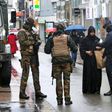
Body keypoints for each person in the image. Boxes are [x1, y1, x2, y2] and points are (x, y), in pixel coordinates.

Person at [44, 24, 77, 105]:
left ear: (56, 30)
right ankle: (67, 99)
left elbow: (46, 51)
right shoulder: (67, 37)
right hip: (66, 62)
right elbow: (75, 49)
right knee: (67, 81)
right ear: (63, 29)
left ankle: (59, 100)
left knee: (58, 81)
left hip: (56, 62)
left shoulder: (52, 38)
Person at [17, 17, 47, 101]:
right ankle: (22, 92)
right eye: (30, 24)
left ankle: (38, 91)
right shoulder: (22, 32)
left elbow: (38, 39)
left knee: (36, 73)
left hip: (34, 55)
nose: (31, 26)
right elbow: (22, 42)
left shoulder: (33, 31)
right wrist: (33, 42)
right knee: (25, 73)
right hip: (26, 55)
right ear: (28, 24)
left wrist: (37, 42)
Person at [80, 26, 102, 94]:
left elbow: (101, 48)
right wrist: (86, 52)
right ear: (89, 32)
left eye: (93, 32)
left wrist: (99, 48)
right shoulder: (85, 40)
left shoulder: (97, 39)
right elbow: (81, 49)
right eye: (91, 32)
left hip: (96, 60)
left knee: (96, 75)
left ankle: (96, 89)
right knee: (88, 74)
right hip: (88, 60)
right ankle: (88, 89)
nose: (92, 34)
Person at [96, 24, 112, 96]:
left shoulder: (110, 35)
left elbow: (106, 44)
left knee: (110, 73)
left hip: (110, 57)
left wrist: (98, 44)